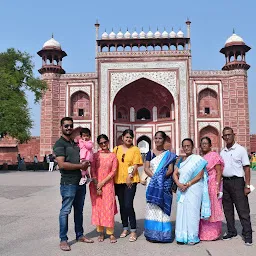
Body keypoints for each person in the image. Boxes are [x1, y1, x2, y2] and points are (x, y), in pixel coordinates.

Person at [53, 117, 93, 252]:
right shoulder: (60, 144)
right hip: (68, 182)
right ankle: (63, 239)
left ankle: (79, 235)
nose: (69, 128)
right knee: (65, 211)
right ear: (61, 127)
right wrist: (80, 166)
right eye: (66, 126)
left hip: (80, 182)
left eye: (70, 126)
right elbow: (62, 164)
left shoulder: (75, 143)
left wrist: (86, 166)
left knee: (79, 210)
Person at [173, 138, 210, 245]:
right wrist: (179, 184)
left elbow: (199, 175)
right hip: (182, 189)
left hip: (194, 189)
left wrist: (188, 184)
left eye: (188, 146)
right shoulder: (181, 160)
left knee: (192, 212)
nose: (186, 148)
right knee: (181, 212)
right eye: (184, 146)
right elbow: (175, 173)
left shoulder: (198, 159)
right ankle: (181, 236)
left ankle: (192, 237)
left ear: (193, 146)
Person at [220, 127, 253, 246]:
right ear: (222, 137)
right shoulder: (222, 151)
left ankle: (248, 234)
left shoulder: (241, 150)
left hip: (238, 182)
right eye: (225, 135)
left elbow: (247, 168)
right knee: (228, 209)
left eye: (229, 135)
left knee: (243, 210)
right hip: (226, 182)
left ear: (234, 135)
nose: (227, 137)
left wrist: (247, 185)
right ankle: (231, 231)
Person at [144, 131, 177, 242]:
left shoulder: (168, 155)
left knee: (163, 208)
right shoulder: (150, 153)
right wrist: (155, 178)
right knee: (152, 207)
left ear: (164, 140)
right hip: (152, 183)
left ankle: (164, 235)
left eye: (160, 138)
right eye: (156, 138)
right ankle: (152, 234)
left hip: (164, 183)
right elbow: (146, 168)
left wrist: (160, 179)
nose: (157, 140)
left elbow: (170, 170)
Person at [113, 129, 143, 242]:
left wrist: (129, 176)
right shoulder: (116, 149)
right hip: (118, 181)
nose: (128, 139)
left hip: (130, 181)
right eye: (126, 137)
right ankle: (125, 228)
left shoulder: (135, 149)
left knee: (128, 205)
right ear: (122, 138)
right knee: (122, 205)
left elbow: (135, 165)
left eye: (130, 137)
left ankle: (133, 230)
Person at [89, 134, 118, 243]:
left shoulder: (113, 156)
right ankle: (100, 232)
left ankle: (110, 233)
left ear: (108, 142)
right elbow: (92, 170)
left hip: (108, 185)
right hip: (96, 186)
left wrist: (102, 183)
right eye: (101, 143)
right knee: (98, 208)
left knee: (108, 208)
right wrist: (97, 184)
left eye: (105, 142)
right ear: (98, 144)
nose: (103, 144)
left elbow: (113, 171)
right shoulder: (96, 156)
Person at [199, 137, 224, 241]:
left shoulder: (214, 156)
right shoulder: (202, 157)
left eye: (206, 143)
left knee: (213, 208)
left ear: (210, 145)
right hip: (204, 184)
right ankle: (204, 233)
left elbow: (219, 172)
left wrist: (217, 186)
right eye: (202, 143)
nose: (204, 145)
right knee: (205, 207)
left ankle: (214, 233)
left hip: (213, 184)